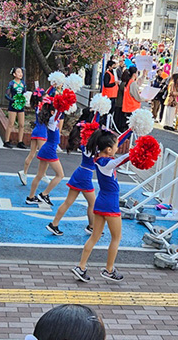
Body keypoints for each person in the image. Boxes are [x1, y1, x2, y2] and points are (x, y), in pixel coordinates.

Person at [73, 128, 132, 283]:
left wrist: (131, 129)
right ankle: (109, 270)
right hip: (110, 204)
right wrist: (140, 150)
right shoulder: (108, 164)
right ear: (109, 149)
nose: (118, 147)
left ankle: (81, 266)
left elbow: (118, 141)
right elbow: (126, 158)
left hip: (100, 202)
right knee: (116, 237)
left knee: (95, 236)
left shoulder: (99, 158)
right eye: (115, 147)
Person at [48, 118, 98, 237]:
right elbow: (94, 126)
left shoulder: (84, 144)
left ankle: (54, 224)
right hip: (85, 176)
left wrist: (98, 113)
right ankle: (91, 227)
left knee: (68, 202)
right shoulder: (93, 146)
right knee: (93, 203)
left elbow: (94, 125)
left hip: (79, 172)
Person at [26, 101, 64, 207]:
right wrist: (63, 103)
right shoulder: (52, 120)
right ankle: (44, 194)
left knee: (39, 175)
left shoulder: (52, 120)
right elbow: (60, 112)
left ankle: (30, 198)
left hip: (46, 148)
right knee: (60, 175)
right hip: (50, 150)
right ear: (52, 112)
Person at [19, 90, 48, 186]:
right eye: (45, 95)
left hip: (36, 130)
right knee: (45, 155)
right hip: (42, 132)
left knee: (32, 153)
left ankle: (24, 172)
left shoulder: (37, 106)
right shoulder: (43, 107)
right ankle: (43, 174)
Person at [4, 67, 28, 149]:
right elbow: (6, 95)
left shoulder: (23, 83)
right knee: (11, 123)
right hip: (13, 106)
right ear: (14, 74)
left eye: (21, 72)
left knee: (21, 124)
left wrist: (24, 100)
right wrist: (13, 100)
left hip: (21, 106)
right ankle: (6, 141)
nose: (20, 74)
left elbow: (25, 94)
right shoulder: (11, 83)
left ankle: (20, 141)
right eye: (18, 72)